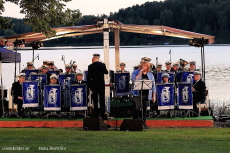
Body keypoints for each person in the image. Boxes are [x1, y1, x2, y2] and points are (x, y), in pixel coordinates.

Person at [131, 61, 156, 127]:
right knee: (136, 109)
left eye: (144, 66)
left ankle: (143, 124)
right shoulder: (135, 72)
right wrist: (139, 73)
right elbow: (133, 80)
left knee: (144, 110)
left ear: (147, 67)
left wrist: (154, 96)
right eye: (142, 65)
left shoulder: (150, 75)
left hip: (147, 94)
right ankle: (135, 124)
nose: (143, 67)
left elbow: (153, 86)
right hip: (137, 94)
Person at [87, 53, 108, 119]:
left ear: (93, 59)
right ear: (98, 58)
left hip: (94, 85)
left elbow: (89, 77)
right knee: (102, 99)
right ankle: (102, 113)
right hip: (101, 84)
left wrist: (90, 86)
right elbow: (106, 72)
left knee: (95, 100)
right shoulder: (102, 65)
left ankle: (96, 114)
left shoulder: (90, 66)